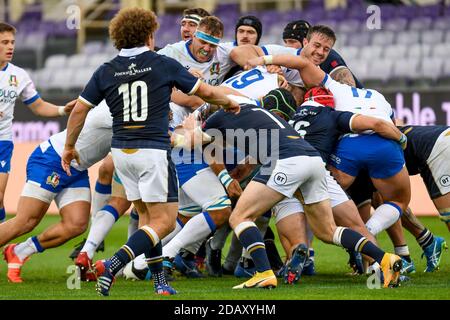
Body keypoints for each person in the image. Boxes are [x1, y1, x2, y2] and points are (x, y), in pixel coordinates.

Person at [61, 8, 239, 297]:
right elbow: (204, 92)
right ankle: (112, 264)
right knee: (164, 221)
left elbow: (80, 109)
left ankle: (160, 283)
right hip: (152, 150)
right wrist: (229, 102)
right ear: (149, 34)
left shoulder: (106, 69)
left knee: (147, 219)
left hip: (121, 153)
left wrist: (69, 147)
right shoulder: (161, 63)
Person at [181, 88, 403, 289]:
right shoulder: (251, 106)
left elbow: (191, 141)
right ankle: (385, 259)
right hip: (313, 160)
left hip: (284, 161)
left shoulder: (219, 116)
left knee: (239, 217)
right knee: (327, 231)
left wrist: (191, 126)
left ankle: (263, 273)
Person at [246, 48, 411, 243]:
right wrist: (402, 140)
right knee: (395, 202)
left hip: (321, 157)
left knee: (298, 206)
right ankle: (371, 241)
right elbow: (382, 124)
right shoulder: (371, 97)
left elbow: (302, 63)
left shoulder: (321, 94)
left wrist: (264, 60)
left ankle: (301, 255)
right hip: (374, 146)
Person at [1, 101, 111, 283]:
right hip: (52, 158)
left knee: (76, 224)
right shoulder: (117, 109)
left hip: (77, 167)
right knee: (26, 221)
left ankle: (19, 251)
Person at [0, 22, 74, 223]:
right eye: (4, 42)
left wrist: (62, 110)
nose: (10, 47)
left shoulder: (18, 75)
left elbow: (38, 105)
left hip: (2, 143)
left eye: (12, 42)